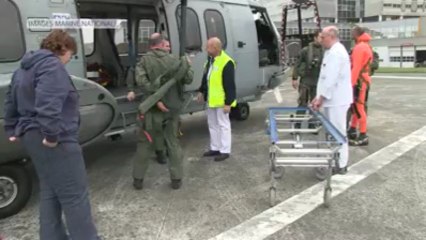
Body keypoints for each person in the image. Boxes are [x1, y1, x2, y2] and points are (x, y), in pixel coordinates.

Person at [3, 30, 99, 240]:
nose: (68, 60)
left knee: (50, 190)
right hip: (56, 139)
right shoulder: (51, 66)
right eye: (70, 55)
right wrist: (51, 135)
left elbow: (10, 100)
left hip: (31, 135)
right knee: (75, 195)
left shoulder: (23, 68)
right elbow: (48, 104)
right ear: (63, 49)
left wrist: (11, 128)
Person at [130, 33, 193, 190]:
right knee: (172, 142)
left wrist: (156, 100)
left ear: (151, 45)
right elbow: (188, 79)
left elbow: (142, 83)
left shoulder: (143, 62)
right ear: (162, 44)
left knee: (145, 143)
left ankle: (138, 179)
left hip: (151, 111)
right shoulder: (175, 60)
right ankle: (176, 179)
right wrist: (188, 64)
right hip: (171, 110)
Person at [311, 26, 353, 175]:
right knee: (332, 132)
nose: (321, 40)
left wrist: (320, 98)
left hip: (336, 99)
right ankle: (336, 160)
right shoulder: (331, 51)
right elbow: (324, 78)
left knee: (338, 132)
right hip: (332, 99)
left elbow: (331, 79)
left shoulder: (336, 52)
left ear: (332, 36)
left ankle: (341, 164)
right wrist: (318, 97)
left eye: (323, 37)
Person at [198, 37, 236, 162]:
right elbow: (206, 78)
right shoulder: (210, 61)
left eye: (208, 46)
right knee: (212, 125)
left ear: (215, 47)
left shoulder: (226, 62)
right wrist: (201, 91)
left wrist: (228, 103)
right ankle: (215, 147)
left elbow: (230, 84)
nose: (205, 49)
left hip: (221, 101)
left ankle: (225, 150)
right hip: (211, 100)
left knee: (223, 125)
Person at [291, 30, 323, 128]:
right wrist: (294, 78)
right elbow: (297, 64)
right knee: (302, 103)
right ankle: (297, 123)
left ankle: (312, 123)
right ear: (315, 37)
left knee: (315, 104)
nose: (322, 40)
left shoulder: (325, 51)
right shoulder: (305, 50)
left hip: (317, 81)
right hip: (306, 80)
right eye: (320, 37)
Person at [348, 26, 373, 146]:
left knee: (359, 108)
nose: (351, 34)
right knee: (356, 107)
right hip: (363, 79)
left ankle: (363, 135)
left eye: (352, 32)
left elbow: (356, 67)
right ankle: (353, 129)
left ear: (357, 34)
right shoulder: (365, 45)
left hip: (359, 81)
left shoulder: (359, 47)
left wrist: (350, 84)